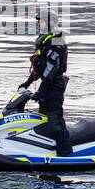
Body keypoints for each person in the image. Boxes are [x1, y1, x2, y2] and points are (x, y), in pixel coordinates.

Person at [20, 28, 70, 157]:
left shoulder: (57, 39)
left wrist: (41, 91)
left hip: (55, 85)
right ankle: (46, 150)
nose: (38, 24)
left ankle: (64, 154)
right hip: (47, 84)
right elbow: (41, 66)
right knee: (43, 117)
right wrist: (27, 83)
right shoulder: (43, 39)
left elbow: (53, 66)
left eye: (41, 21)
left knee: (54, 119)